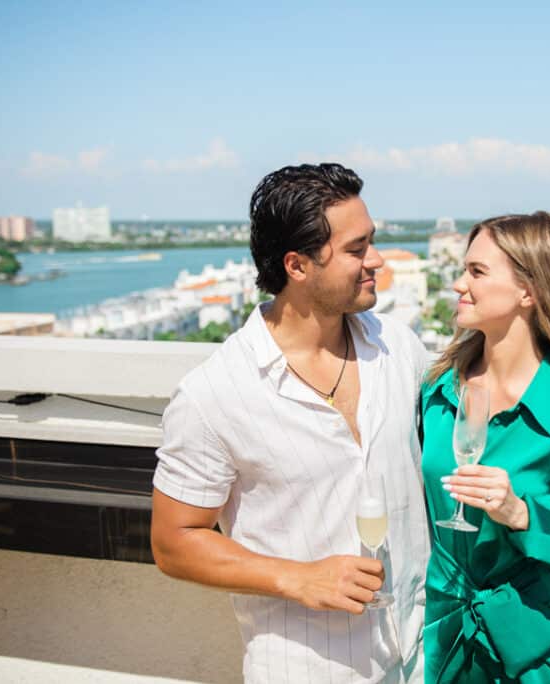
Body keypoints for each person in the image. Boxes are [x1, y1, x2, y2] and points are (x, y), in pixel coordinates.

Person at [150, 163, 431, 683]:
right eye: (356, 249)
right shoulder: (212, 395)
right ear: (298, 266)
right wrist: (297, 578)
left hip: (421, 660)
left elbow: (471, 432)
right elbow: (173, 542)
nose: (377, 260)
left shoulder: (399, 347)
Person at [419, 211, 550, 682]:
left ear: (528, 292)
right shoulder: (437, 391)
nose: (458, 284)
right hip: (440, 635)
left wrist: (521, 515)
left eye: (476, 272)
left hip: (529, 645)